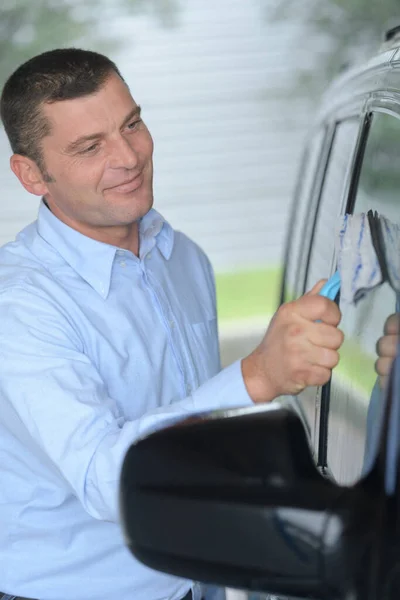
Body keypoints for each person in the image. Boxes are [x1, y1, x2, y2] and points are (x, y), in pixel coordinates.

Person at [0, 48, 343, 600]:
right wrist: (256, 375)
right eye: (90, 147)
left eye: (131, 124)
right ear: (31, 174)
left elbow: (192, 433)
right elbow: (104, 481)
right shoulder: (19, 306)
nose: (129, 156)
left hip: (196, 579)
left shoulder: (182, 258)